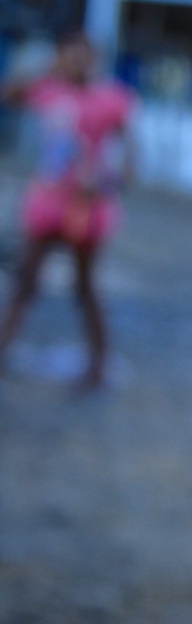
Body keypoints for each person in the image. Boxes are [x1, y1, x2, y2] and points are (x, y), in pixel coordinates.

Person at [0, 31, 135, 389]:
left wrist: (104, 184)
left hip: (86, 207)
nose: (76, 62)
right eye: (68, 55)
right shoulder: (47, 90)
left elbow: (132, 163)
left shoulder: (112, 99)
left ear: (95, 58)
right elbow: (9, 93)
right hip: (47, 203)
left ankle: (98, 364)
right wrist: (44, 69)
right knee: (26, 280)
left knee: (85, 287)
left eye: (82, 55)